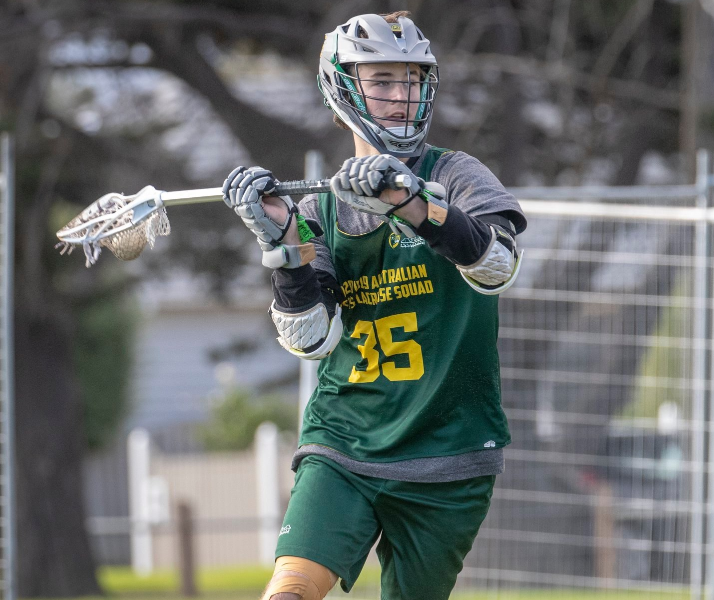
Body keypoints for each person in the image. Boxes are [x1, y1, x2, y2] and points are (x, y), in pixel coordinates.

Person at [222, 11, 526, 600]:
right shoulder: (319, 210)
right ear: (341, 94)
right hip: (345, 443)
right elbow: (312, 338)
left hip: (450, 453)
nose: (399, 97)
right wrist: (281, 243)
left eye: (410, 81)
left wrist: (412, 203)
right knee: (290, 592)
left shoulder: (457, 175)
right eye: (381, 81)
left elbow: (496, 267)